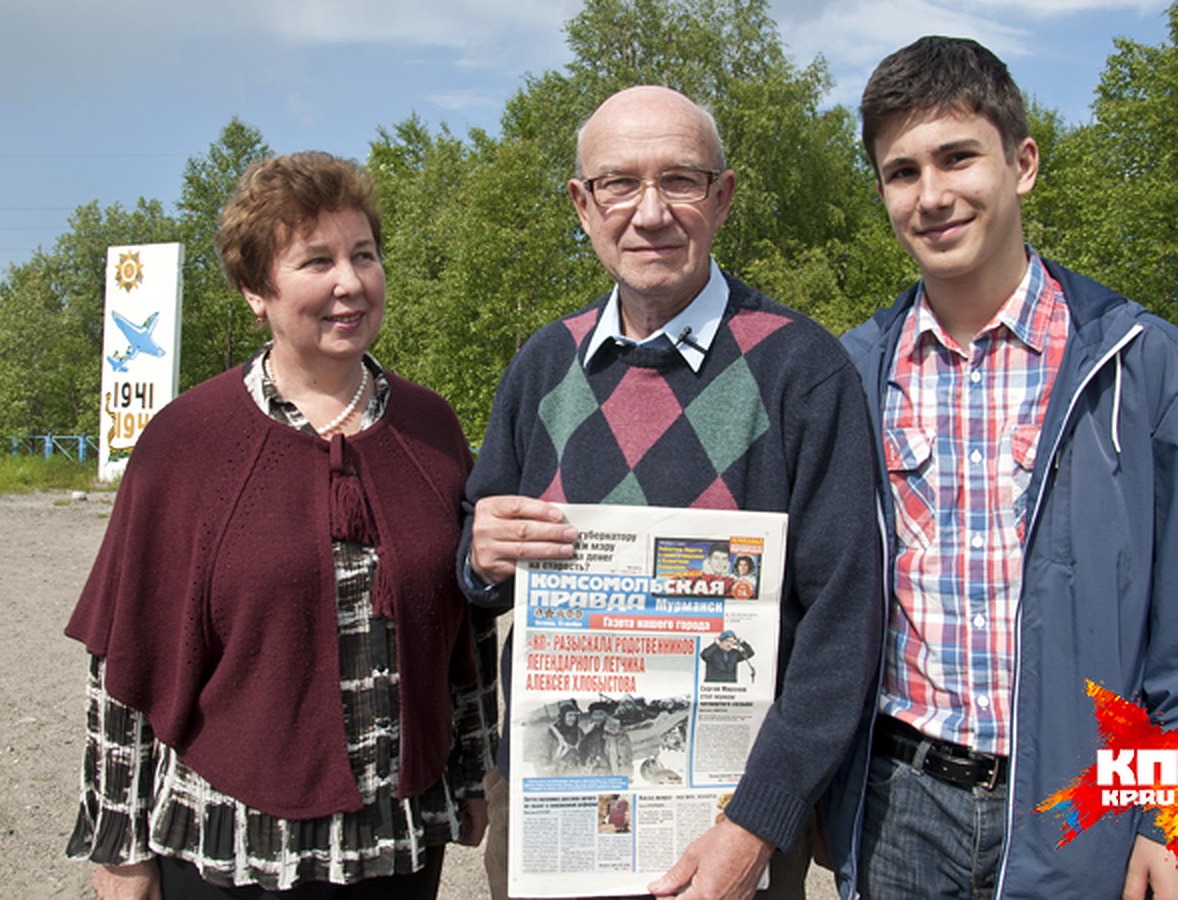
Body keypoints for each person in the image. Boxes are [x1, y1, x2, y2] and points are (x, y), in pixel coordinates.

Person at [459, 85, 882, 900]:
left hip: (725, 821)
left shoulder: (803, 370)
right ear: (582, 205)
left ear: (722, 198)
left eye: (681, 181)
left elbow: (845, 620)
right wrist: (478, 558)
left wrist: (760, 819)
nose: (649, 213)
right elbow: (471, 561)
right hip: (554, 810)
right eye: (619, 183)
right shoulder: (543, 365)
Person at [64, 151, 496, 899]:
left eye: (364, 255)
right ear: (254, 290)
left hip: (398, 845)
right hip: (234, 847)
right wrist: (120, 848)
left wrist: (471, 771)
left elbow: (466, 625)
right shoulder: (187, 442)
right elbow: (125, 660)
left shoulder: (431, 428)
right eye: (316, 261)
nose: (349, 283)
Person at [826, 36, 1178, 899]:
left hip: (1082, 808)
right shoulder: (852, 373)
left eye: (956, 158)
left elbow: (1172, 627)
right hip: (896, 803)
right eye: (901, 171)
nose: (932, 195)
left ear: (1021, 163)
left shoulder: (1140, 363)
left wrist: (1160, 814)